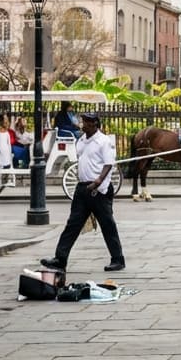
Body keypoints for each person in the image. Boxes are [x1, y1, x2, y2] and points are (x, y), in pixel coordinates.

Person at [41, 112, 125, 272]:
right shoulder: (82, 140)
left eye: (85, 122)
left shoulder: (103, 141)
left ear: (94, 124)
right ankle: (60, 258)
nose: (82, 125)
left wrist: (98, 181)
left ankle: (117, 258)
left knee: (107, 225)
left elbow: (109, 164)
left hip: (98, 190)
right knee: (72, 224)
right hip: (82, 188)